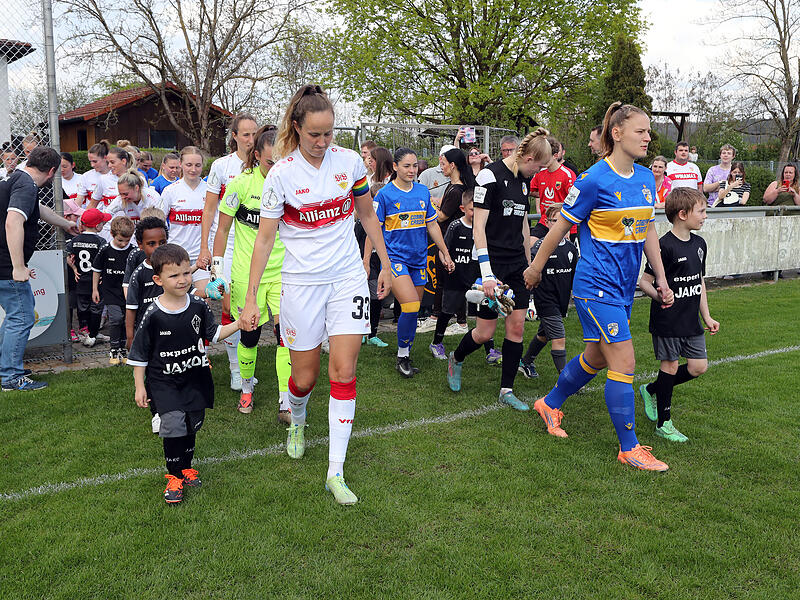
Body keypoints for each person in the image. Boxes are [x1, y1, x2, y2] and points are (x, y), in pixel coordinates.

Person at [240, 84, 393, 505]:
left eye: (329, 134)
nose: (323, 143)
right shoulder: (281, 174)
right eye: (314, 135)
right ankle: (298, 418)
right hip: (302, 285)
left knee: (343, 372)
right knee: (304, 379)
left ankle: (335, 472)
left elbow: (367, 214)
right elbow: (265, 240)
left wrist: (383, 265)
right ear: (297, 127)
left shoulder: (348, 163)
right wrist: (252, 298)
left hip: (346, 279)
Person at [524, 102, 675, 472]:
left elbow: (648, 228)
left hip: (624, 288)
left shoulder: (643, 179)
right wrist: (535, 268)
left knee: (597, 356)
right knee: (624, 360)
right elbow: (559, 227)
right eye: (640, 131)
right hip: (596, 286)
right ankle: (630, 447)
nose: (648, 137)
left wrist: (661, 278)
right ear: (617, 133)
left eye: (649, 131)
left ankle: (550, 403)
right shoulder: (592, 179)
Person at [446, 128, 552, 410]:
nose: (538, 173)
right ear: (527, 158)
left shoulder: (524, 182)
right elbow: (478, 228)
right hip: (491, 262)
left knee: (516, 328)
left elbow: (522, 223)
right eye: (538, 167)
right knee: (484, 332)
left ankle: (506, 390)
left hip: (517, 262)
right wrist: (487, 273)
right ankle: (456, 358)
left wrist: (530, 263)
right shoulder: (488, 176)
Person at [128, 243, 241, 504]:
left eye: (186, 273)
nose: (182, 280)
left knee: (192, 425)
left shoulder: (198, 306)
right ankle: (174, 476)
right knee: (173, 425)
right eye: (174, 275)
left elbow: (214, 334)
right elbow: (139, 354)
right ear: (158, 280)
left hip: (195, 378)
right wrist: (139, 386)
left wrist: (239, 323)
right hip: (164, 382)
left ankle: (187, 467)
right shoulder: (153, 314)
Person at [212, 125, 291, 419]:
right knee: (250, 335)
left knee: (287, 336)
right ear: (256, 156)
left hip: (284, 273)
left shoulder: (289, 183)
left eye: (280, 161)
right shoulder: (240, 185)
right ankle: (246, 389)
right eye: (270, 162)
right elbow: (221, 229)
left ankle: (285, 398)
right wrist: (218, 272)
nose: (275, 168)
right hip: (247, 275)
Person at [638, 188, 718, 442]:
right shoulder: (664, 246)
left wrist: (706, 316)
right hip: (668, 319)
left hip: (690, 320)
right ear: (682, 214)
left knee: (698, 367)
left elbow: (699, 281)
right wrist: (660, 295)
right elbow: (644, 281)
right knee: (670, 366)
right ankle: (664, 423)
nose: (705, 215)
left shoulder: (699, 244)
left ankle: (651, 389)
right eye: (701, 211)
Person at [374, 147, 454, 377]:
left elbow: (432, 224)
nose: (412, 170)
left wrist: (444, 251)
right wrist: (371, 261)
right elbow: (374, 230)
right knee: (410, 305)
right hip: (395, 259)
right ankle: (401, 357)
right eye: (407, 166)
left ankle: (405, 352)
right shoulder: (385, 195)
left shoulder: (421, 191)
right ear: (395, 167)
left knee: (413, 309)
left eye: (414, 165)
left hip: (418, 259)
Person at [0, 147, 75, 391]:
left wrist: (65, 224)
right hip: (6, 266)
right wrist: (18, 267)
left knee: (14, 317)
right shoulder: (27, 185)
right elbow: (13, 221)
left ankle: (6, 367)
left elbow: (37, 209)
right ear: (52, 171)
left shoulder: (19, 177)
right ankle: (11, 376)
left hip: (4, 263)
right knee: (21, 317)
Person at [518, 203, 577, 379]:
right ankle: (567, 380)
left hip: (561, 301)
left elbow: (574, 275)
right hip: (546, 300)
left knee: (544, 335)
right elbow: (530, 274)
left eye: (564, 221)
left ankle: (526, 362)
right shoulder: (540, 248)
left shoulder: (571, 248)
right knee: (558, 339)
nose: (561, 225)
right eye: (555, 221)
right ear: (548, 223)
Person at [423, 147, 475, 338]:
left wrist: (426, 203)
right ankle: (444, 318)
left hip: (450, 242)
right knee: (445, 283)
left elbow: (442, 216)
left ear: (452, 166)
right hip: (448, 240)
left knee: (450, 284)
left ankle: (457, 321)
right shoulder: (453, 187)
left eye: (443, 163)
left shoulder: (457, 190)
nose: (441, 167)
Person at [126, 216, 170, 433]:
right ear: (140, 245)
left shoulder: (171, 269)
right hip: (149, 336)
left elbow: (186, 291)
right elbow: (131, 308)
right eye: (151, 244)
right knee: (153, 374)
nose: (157, 248)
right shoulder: (138, 274)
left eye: (161, 243)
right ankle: (157, 414)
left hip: (172, 332)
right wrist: (130, 335)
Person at [429, 189, 478, 359]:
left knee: (485, 312)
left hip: (476, 278)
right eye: (472, 209)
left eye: (478, 208)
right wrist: (446, 260)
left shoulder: (484, 226)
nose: (476, 213)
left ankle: (490, 350)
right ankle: (436, 343)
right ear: (463, 208)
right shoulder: (455, 226)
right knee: (447, 311)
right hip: (456, 277)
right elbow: (443, 249)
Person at [161, 147, 211, 290]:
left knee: (203, 298)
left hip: (202, 256)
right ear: (181, 164)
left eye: (198, 165)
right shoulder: (170, 191)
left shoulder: (209, 191)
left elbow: (216, 224)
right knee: (177, 297)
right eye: (189, 165)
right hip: (176, 256)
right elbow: (159, 221)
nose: (193, 169)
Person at [92, 215, 135, 365]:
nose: (123, 244)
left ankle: (122, 349)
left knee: (125, 320)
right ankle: (114, 349)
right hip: (110, 291)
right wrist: (95, 289)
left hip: (127, 293)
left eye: (127, 241)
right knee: (115, 319)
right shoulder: (105, 249)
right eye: (120, 240)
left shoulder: (133, 251)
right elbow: (96, 270)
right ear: (112, 234)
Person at [66, 208, 111, 347]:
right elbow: (106, 259)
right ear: (97, 226)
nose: (103, 226)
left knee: (83, 307)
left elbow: (67, 255)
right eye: (102, 223)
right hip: (95, 282)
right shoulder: (100, 241)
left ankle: (84, 330)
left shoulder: (75, 239)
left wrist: (74, 269)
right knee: (96, 307)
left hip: (80, 280)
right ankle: (93, 334)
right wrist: (103, 273)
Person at [358, 182, 389, 347]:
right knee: (365, 298)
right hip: (366, 263)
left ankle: (373, 333)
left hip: (380, 262)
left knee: (377, 298)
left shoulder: (388, 218)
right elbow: (358, 241)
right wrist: (365, 260)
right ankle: (361, 332)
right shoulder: (363, 222)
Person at [530, 136, 576, 243]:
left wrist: (567, 226)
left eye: (545, 156)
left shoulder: (567, 174)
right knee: (531, 243)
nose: (542, 159)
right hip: (545, 221)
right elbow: (530, 190)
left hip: (563, 222)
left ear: (555, 156)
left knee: (560, 255)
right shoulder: (540, 174)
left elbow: (574, 202)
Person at [77, 140, 110, 208]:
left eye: (95, 161)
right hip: (92, 215)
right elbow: (79, 201)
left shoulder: (115, 175)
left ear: (105, 158)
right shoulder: (86, 176)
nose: (92, 165)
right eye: (90, 162)